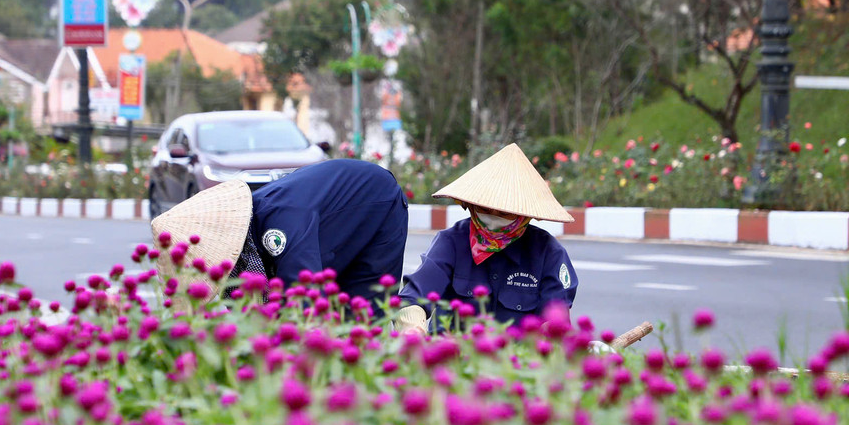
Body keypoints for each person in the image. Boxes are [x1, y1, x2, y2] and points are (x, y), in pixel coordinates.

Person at [150, 158, 408, 313]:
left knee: (364, 313)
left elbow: (301, 294)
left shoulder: (279, 225)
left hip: (378, 203)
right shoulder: (251, 232)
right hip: (331, 229)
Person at [397, 143, 578, 333]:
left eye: (504, 212)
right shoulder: (451, 242)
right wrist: (413, 329)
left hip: (516, 358)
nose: (492, 216)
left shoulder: (547, 252)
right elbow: (414, 297)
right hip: (451, 354)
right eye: (484, 208)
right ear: (471, 204)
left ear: (524, 214)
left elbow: (556, 318)